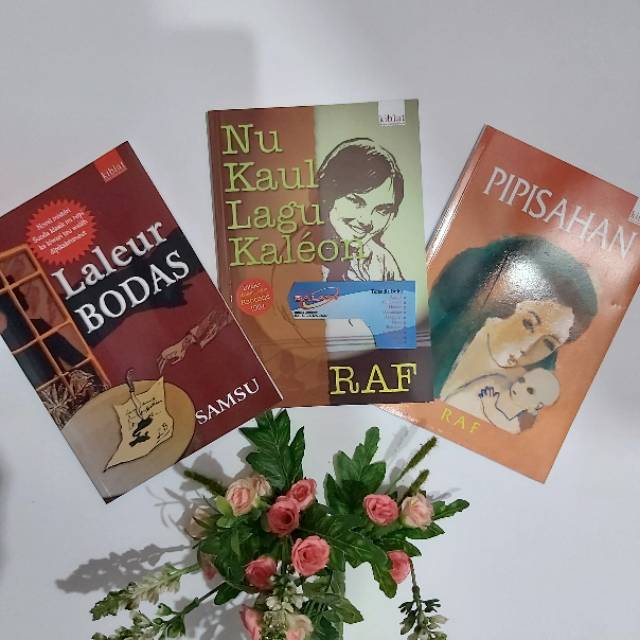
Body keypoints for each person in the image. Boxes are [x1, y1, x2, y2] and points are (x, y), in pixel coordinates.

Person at [430, 236, 598, 404]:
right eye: (528, 324)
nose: (527, 348)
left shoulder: (526, 390)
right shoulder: (435, 340)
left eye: (548, 344)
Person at [316, 137, 405, 282]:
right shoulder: (293, 255)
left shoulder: (381, 260)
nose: (367, 221)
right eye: (355, 201)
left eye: (382, 210)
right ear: (327, 195)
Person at [445, 367, 561, 434]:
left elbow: (504, 427)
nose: (520, 387)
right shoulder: (494, 383)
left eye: (529, 391)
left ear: (538, 406)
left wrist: (489, 407)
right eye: (522, 380)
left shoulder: (515, 427)